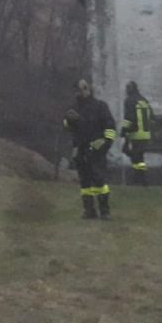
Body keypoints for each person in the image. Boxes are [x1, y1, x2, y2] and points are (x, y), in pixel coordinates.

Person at [63, 79, 117, 219]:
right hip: (80, 149)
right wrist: (68, 120)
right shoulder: (73, 108)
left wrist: (105, 143)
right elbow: (67, 128)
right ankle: (89, 210)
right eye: (78, 90)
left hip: (96, 149)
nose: (80, 93)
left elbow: (110, 127)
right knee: (85, 182)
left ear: (88, 89)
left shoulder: (100, 107)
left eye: (82, 89)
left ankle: (104, 211)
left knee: (99, 181)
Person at [121, 81, 154, 187]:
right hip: (145, 133)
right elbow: (152, 116)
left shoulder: (129, 100)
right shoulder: (143, 100)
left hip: (135, 132)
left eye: (128, 88)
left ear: (132, 89)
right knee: (139, 156)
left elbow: (129, 117)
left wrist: (124, 132)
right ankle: (139, 177)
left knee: (134, 155)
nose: (126, 90)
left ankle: (140, 178)